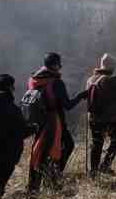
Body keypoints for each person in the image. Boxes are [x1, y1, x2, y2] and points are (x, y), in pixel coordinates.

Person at [28, 53, 85, 190]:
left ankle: (36, 184)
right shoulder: (56, 82)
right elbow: (68, 105)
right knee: (66, 146)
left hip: (39, 122)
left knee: (41, 151)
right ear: (54, 65)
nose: (60, 67)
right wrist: (82, 96)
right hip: (54, 122)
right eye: (59, 64)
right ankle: (53, 178)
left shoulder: (34, 79)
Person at [81, 54, 116, 177]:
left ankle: (93, 172)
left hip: (94, 116)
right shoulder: (112, 80)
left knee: (97, 143)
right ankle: (105, 165)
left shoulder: (91, 79)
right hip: (111, 118)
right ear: (112, 67)